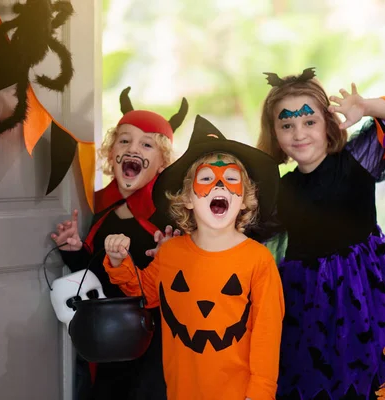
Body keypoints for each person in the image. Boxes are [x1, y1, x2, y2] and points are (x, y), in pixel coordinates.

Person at [102, 115, 285, 400]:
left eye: (231, 180)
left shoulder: (258, 260)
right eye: (207, 179)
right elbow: (146, 292)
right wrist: (118, 261)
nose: (219, 187)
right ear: (187, 198)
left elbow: (267, 334)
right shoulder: (172, 252)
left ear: (246, 198)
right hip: (181, 391)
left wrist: (260, 393)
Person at [255, 68, 385, 400]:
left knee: (360, 388)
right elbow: (244, 235)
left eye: (309, 122)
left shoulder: (358, 161)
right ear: (274, 133)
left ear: (329, 123)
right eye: (287, 125)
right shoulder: (281, 189)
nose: (299, 133)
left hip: (358, 306)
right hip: (304, 312)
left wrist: (366, 106)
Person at [50, 87, 188, 400]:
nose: (132, 147)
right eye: (124, 140)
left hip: (153, 345)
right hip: (106, 338)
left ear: (162, 162)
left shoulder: (170, 214)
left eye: (147, 143)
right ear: (112, 153)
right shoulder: (100, 208)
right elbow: (93, 276)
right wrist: (74, 250)